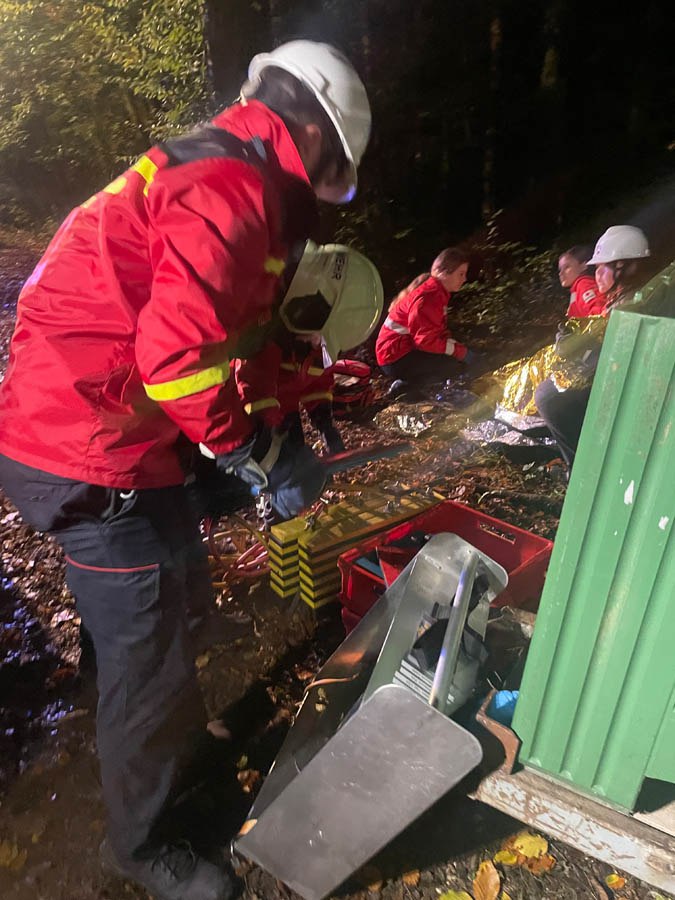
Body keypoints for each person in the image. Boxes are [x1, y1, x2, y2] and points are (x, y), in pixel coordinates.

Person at [0, 40, 370, 900]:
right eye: (333, 169)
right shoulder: (232, 189)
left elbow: (232, 346)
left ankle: (161, 747)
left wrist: (269, 431)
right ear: (315, 134)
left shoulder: (231, 179)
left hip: (110, 430)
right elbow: (173, 363)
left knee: (183, 604)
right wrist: (253, 454)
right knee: (151, 657)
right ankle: (138, 846)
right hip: (86, 444)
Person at [235, 241, 384, 462]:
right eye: (319, 335)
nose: (317, 343)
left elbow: (318, 378)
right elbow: (253, 389)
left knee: (296, 458)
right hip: (248, 420)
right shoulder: (263, 336)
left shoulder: (309, 341)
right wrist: (273, 433)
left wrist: (323, 419)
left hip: (283, 410)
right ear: (308, 308)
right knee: (279, 465)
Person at [535, 225, 651, 469]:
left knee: (548, 397)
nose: (596, 275)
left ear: (623, 267)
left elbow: (609, 355)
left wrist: (572, 347)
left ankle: (582, 468)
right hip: (626, 379)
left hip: (630, 386)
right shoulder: (625, 299)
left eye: (601, 268)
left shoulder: (628, 305)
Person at [375, 247, 477, 396]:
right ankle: (405, 389)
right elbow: (425, 341)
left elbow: (436, 331)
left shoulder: (437, 293)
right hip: (394, 358)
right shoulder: (429, 297)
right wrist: (460, 352)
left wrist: (457, 348)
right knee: (449, 367)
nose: (464, 279)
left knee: (451, 360)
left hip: (397, 353)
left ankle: (408, 383)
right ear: (444, 272)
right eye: (460, 274)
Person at [558, 244, 606, 317]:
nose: (561, 273)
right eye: (560, 269)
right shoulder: (576, 289)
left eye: (567, 267)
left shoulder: (584, 284)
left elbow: (599, 311)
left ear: (583, 266)